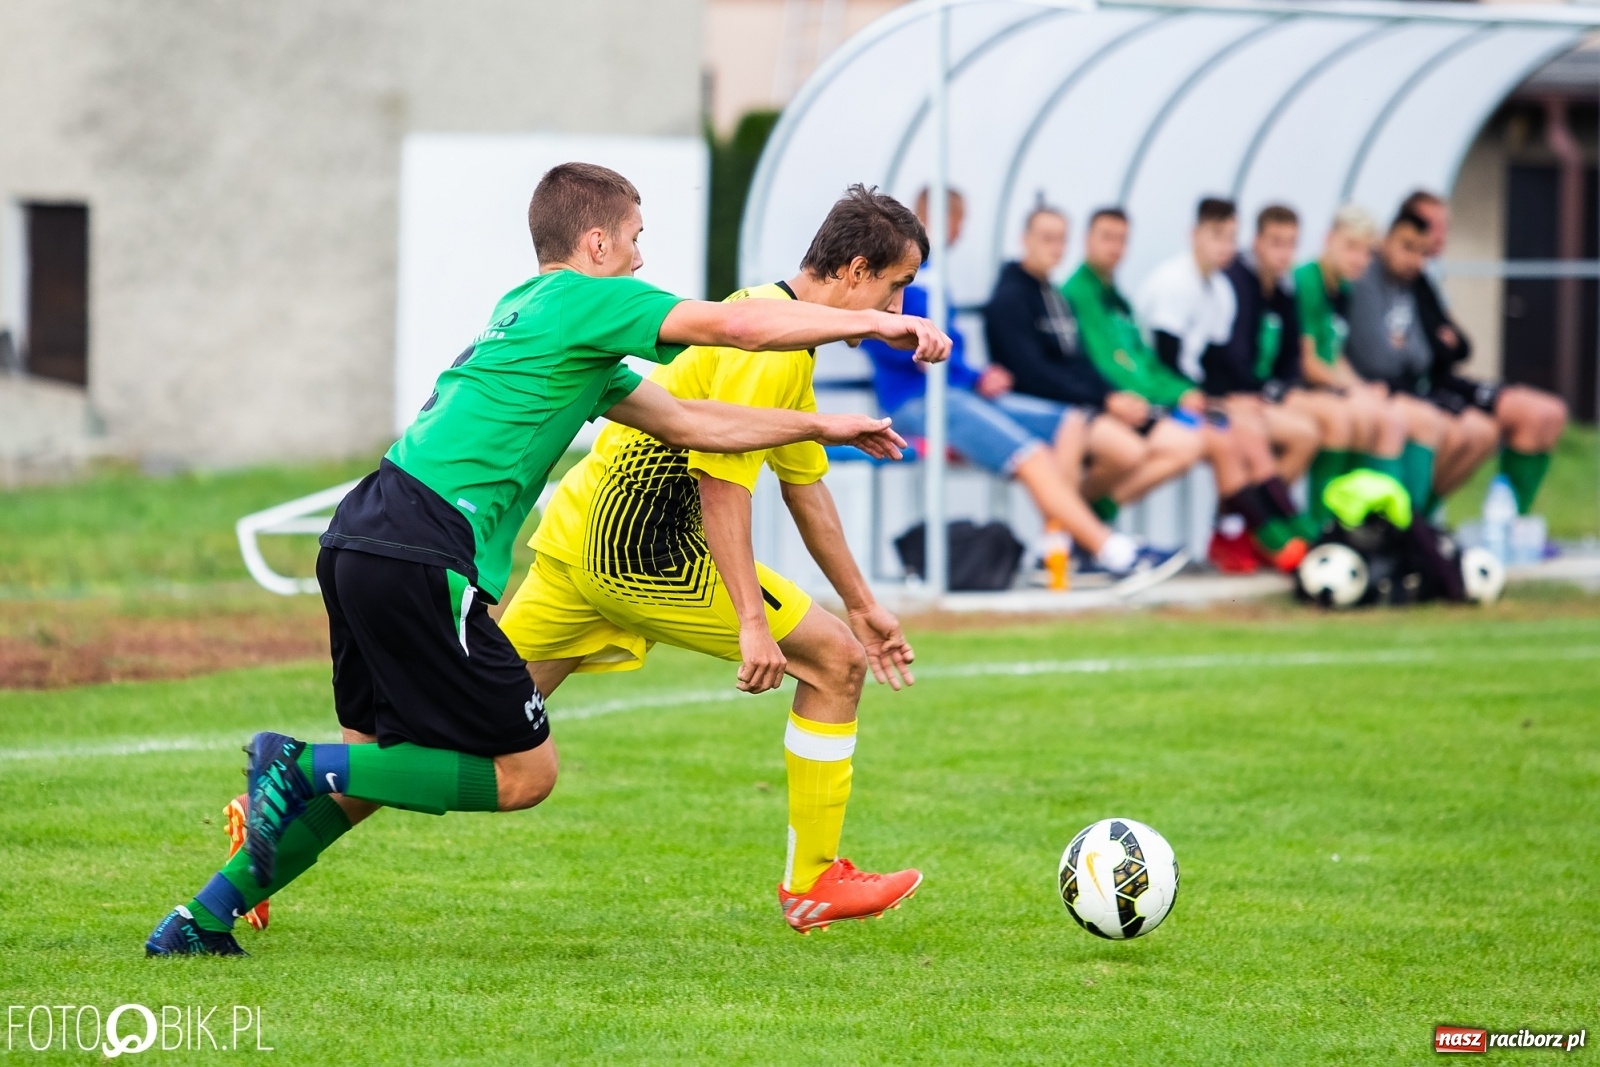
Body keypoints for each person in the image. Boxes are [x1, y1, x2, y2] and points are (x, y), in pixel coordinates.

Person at [144, 162, 950, 956]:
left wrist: (822, 427)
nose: (641, 258)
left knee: (390, 761)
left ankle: (202, 916)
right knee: (524, 775)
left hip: (366, 533)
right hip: (448, 548)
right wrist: (885, 328)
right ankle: (295, 766)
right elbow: (735, 331)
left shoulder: (536, 316)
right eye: (635, 238)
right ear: (596, 243)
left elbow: (696, 424)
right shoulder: (587, 299)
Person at [497, 185, 927, 933]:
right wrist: (754, 624)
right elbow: (721, 483)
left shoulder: (783, 335)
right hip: (642, 550)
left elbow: (804, 486)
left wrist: (862, 603)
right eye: (897, 286)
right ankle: (813, 880)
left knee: (469, 727)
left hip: (578, 540)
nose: (896, 307)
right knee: (835, 663)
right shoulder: (770, 349)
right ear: (857, 271)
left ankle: (298, 798)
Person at [863, 188, 1185, 590]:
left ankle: (1058, 550)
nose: (959, 230)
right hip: (917, 400)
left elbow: (944, 348)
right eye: (955, 219)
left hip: (959, 390)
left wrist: (977, 376)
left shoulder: (935, 273)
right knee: (1032, 455)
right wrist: (958, 369)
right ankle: (1112, 552)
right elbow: (893, 338)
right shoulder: (900, 270)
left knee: (1070, 422)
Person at [1073, 204, 1307, 573]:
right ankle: (1265, 533)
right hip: (1132, 404)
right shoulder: (1156, 286)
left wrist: (1207, 395)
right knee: (1221, 436)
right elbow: (1126, 365)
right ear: (1194, 235)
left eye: (1231, 238)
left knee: (1242, 432)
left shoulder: (1213, 288)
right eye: (1107, 238)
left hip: (1162, 396)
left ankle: (1267, 529)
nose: (1116, 248)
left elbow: (1167, 362)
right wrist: (1187, 395)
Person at [984, 205, 1203, 527]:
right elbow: (1033, 374)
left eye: (1061, 239)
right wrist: (1105, 400)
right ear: (1024, 240)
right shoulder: (1010, 298)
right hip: (1044, 409)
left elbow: (1081, 361)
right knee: (1126, 450)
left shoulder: (1054, 294)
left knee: (1180, 444)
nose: (1055, 247)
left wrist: (1113, 396)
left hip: (1078, 404)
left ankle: (1082, 527)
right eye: (1047, 238)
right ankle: (1075, 533)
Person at [1403, 190, 1567, 514]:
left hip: (1447, 379)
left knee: (1549, 413)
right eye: (1433, 226)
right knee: (1487, 429)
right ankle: (1418, 522)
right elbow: (1429, 348)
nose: (1440, 235)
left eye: (1445, 227)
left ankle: (1512, 519)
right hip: (1426, 387)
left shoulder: (1427, 280)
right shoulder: (1400, 279)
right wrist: (1444, 343)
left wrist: (1447, 343)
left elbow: (1461, 346)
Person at [1219, 204, 1368, 528]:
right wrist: (1262, 392)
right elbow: (1229, 355)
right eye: (1276, 242)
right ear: (1256, 242)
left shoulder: (1284, 289)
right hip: (1233, 396)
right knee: (1319, 426)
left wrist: (1279, 389)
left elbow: (1291, 358)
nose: (1284, 253)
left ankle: (1273, 521)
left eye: (1291, 244)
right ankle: (1262, 523)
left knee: (1317, 430)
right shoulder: (1236, 283)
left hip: (1268, 392)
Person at [1346, 208, 1487, 511]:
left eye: (1422, 252)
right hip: (1374, 387)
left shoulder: (1413, 285)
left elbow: (1428, 354)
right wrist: (1403, 348)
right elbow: (1377, 359)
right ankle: (1398, 522)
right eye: (1407, 247)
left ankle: (1418, 517)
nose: (1414, 260)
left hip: (1410, 387)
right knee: (1429, 425)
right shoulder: (1366, 280)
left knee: (1480, 432)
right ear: (1385, 240)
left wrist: (1401, 346)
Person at [1292, 203, 1417, 514]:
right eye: (1351, 247)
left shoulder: (1343, 288)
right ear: (1328, 240)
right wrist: (1351, 390)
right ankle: (1327, 519)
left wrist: (1361, 388)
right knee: (1352, 418)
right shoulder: (1306, 280)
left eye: (1366, 251)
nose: (1360, 259)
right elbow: (1308, 362)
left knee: (1387, 416)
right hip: (1294, 387)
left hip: (1323, 387)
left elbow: (1334, 356)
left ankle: (1377, 518)